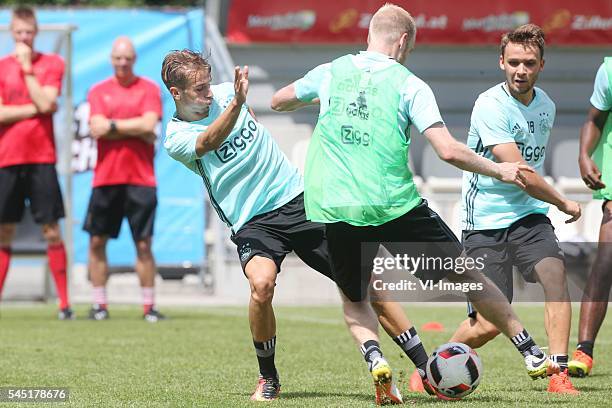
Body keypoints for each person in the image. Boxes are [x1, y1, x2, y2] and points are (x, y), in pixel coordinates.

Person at [272, 3, 558, 400]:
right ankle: (528, 349)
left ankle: (375, 357)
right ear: (404, 41)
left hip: (337, 208)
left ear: (370, 34)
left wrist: (323, 101)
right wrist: (500, 170)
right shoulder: (410, 84)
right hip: (395, 206)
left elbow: (279, 100)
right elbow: (447, 150)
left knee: (355, 301)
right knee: (468, 276)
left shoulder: (331, 72)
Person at [162, 49, 449, 404]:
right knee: (261, 285)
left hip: (298, 200)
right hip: (253, 221)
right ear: (176, 93)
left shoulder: (225, 93)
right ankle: (268, 377)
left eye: (208, 85)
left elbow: (246, 111)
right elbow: (207, 143)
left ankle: (426, 369)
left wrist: (235, 102)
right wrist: (236, 105)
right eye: (199, 89)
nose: (208, 93)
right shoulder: (176, 136)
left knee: (366, 280)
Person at [431, 24, 580, 394]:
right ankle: (433, 367)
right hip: (484, 221)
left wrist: (548, 205)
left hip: (529, 217)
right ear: (501, 62)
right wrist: (563, 201)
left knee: (556, 279)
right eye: (513, 62)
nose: (520, 70)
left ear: (541, 65)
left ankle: (558, 375)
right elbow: (519, 172)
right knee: (488, 324)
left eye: (529, 63)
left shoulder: (547, 105)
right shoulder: (490, 105)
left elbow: (529, 178)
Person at [84, 36, 164, 323]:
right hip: (106, 179)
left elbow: (149, 124)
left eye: (127, 57)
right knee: (96, 242)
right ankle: (99, 305)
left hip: (141, 179)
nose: (122, 62)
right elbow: (97, 128)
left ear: (134, 59)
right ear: (111, 59)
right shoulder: (98, 91)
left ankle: (148, 307)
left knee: (143, 244)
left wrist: (114, 125)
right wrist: (137, 129)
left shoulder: (149, 89)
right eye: (118, 57)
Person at [0, 6, 72, 320]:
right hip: (7, 159)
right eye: (19, 33)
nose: (24, 38)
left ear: (36, 32)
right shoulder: (1, 67)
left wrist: (28, 70)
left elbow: (49, 103)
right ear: (11, 33)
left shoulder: (53, 63)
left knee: (51, 230)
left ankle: (64, 304)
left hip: (42, 158)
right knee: (4, 231)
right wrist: (36, 107)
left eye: (28, 32)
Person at [568, 56, 612, 378]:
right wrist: (584, 155)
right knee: (606, 261)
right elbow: (595, 119)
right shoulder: (610, 69)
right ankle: (584, 350)